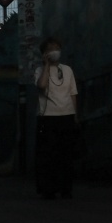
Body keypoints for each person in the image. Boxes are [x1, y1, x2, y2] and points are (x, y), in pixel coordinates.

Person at [34, 38, 79, 200]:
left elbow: (73, 93)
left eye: (57, 48)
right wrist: (46, 65)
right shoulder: (39, 70)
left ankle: (66, 189)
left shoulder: (67, 70)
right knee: (48, 156)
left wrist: (75, 115)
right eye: (51, 48)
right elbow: (41, 85)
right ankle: (49, 189)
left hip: (66, 116)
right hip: (48, 118)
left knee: (66, 155)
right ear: (44, 53)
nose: (55, 51)